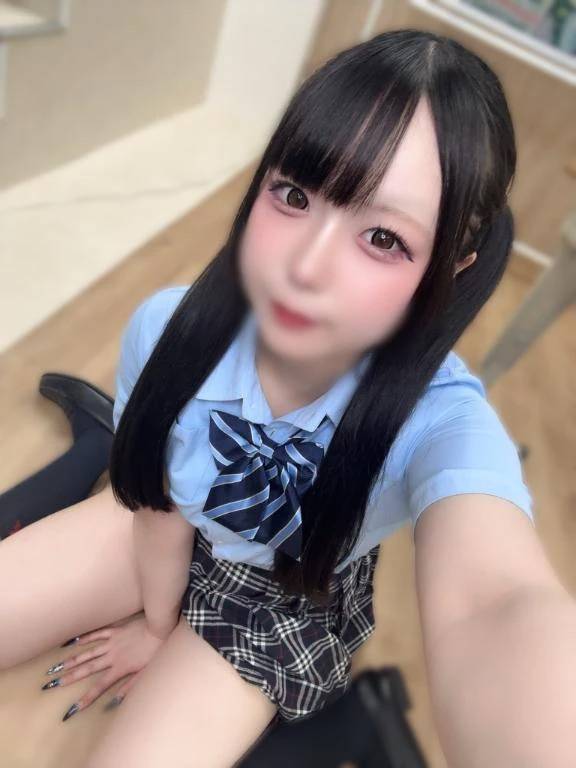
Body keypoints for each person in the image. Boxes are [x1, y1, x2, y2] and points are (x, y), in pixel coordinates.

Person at [0, 28, 540, 768]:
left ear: (452, 267)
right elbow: (158, 510)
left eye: (384, 238)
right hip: (161, 526)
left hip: (282, 595)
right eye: (293, 195)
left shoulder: (438, 418)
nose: (304, 267)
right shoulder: (171, 327)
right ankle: (109, 436)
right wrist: (156, 624)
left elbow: (499, 604)